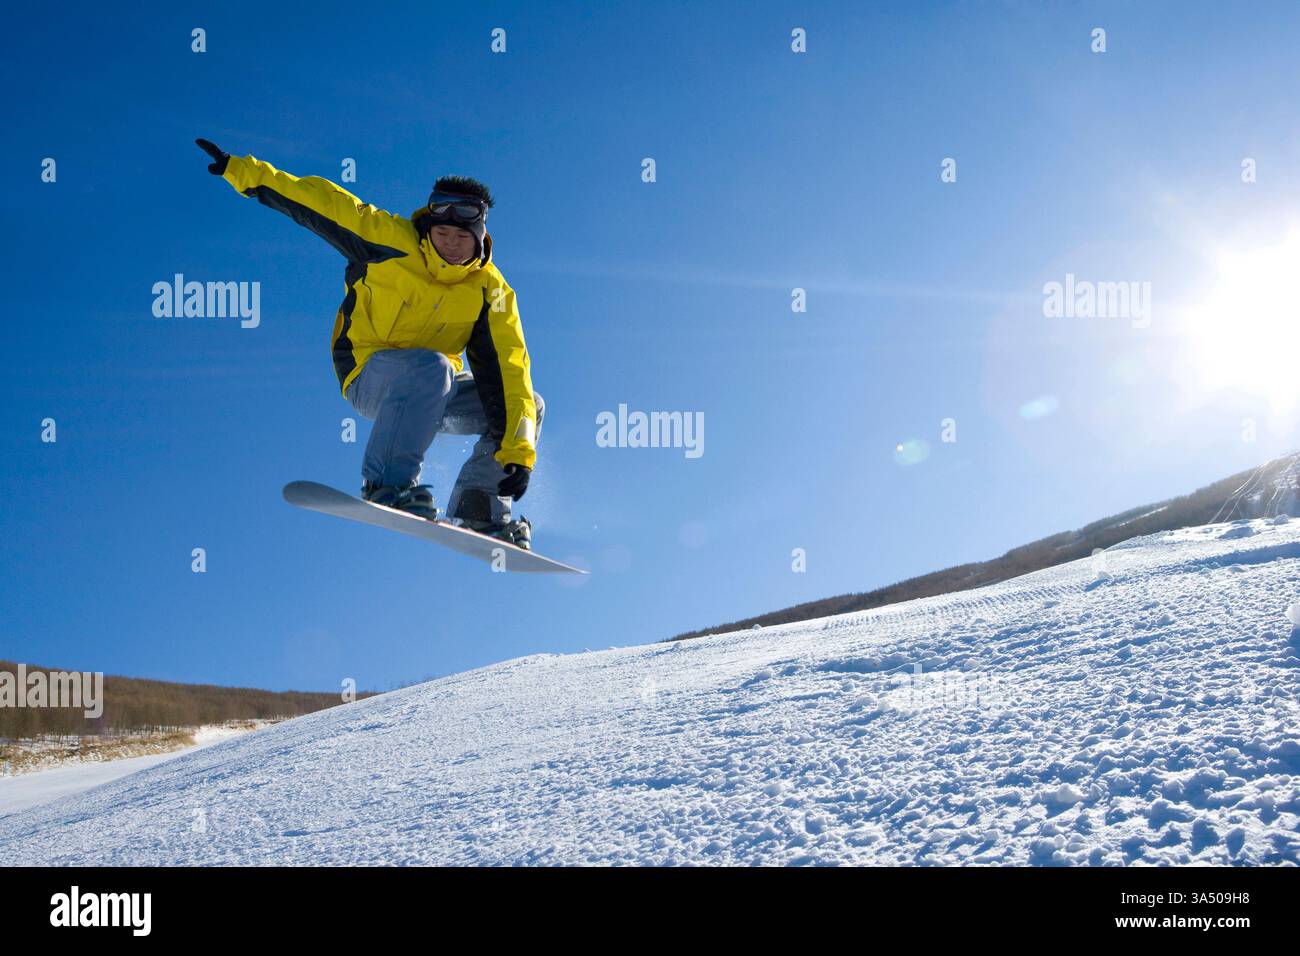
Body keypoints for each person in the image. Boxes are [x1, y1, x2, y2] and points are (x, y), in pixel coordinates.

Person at [195, 138, 541, 549]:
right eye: (441, 232)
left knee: (529, 405)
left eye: (460, 236)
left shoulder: (492, 291)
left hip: (433, 392)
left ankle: (479, 508)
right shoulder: (387, 239)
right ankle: (387, 484)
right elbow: (322, 202)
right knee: (432, 366)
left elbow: (509, 368)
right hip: (369, 374)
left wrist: (517, 451)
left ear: (480, 237)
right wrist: (245, 172)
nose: (449, 242)